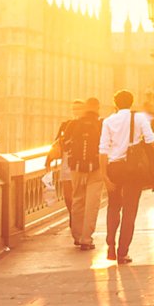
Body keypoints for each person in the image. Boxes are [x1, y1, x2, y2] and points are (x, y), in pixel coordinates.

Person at [99, 90, 154, 265]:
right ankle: (123, 252)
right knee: (130, 211)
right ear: (132, 103)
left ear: (115, 104)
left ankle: (110, 245)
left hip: (114, 168)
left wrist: (104, 177)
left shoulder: (108, 121)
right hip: (134, 169)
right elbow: (151, 142)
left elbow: (102, 150)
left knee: (113, 207)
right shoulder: (139, 118)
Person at [50, 99, 103, 251]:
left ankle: (77, 236)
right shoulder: (101, 124)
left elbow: (64, 144)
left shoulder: (72, 125)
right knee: (92, 204)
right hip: (96, 167)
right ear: (98, 109)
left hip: (76, 168)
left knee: (78, 200)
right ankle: (87, 239)